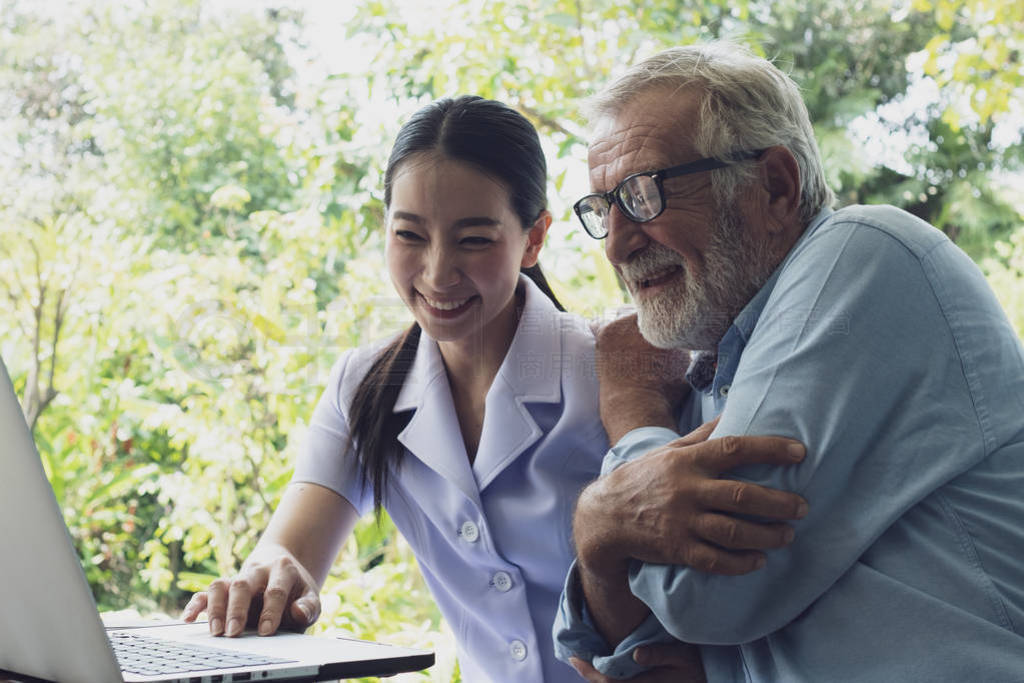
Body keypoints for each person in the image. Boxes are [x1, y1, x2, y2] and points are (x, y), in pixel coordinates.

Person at [180, 95, 809, 682]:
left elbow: (713, 578)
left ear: (534, 237)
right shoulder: (363, 386)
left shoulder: (620, 370)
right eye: (409, 235)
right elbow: (287, 554)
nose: (436, 272)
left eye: (474, 239)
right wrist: (270, 574)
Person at [553, 42, 1024, 682]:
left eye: (644, 194)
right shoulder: (705, 372)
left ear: (775, 185)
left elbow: (703, 595)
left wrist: (628, 420)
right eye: (604, 209)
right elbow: (618, 656)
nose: (617, 244)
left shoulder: (867, 254)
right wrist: (601, 526)